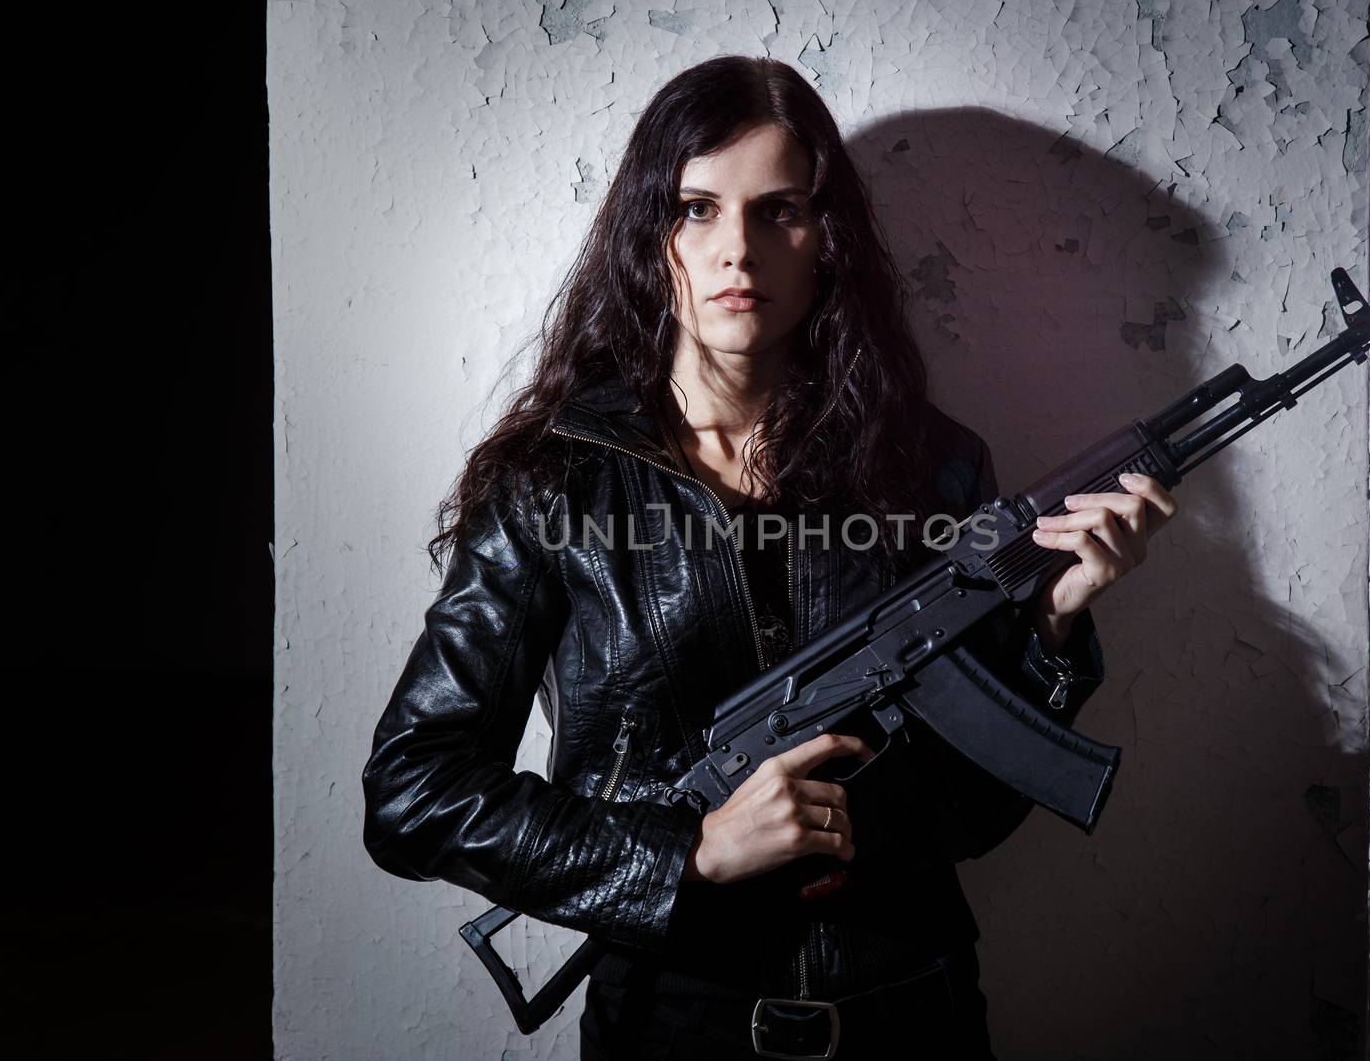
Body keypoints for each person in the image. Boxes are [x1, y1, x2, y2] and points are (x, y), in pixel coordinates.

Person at [361, 55, 1179, 1060]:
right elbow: (414, 789)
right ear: (646, 236)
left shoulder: (933, 466)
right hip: (670, 1024)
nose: (734, 251)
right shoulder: (555, 486)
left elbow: (966, 816)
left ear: (825, 240)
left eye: (777, 210)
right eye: (695, 209)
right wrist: (687, 850)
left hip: (909, 1016)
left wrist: (1052, 626)